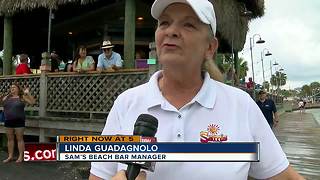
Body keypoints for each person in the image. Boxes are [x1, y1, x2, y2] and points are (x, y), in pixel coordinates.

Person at [90, 0, 304, 179]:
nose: (172, 31)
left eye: (189, 25)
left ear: (210, 47)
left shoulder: (241, 106)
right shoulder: (126, 103)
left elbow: (283, 175)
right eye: (164, 23)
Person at [2, 82, 36, 163]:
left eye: (14, 87)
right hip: (8, 120)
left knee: (19, 139)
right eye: (11, 87)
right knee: (10, 139)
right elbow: (3, 103)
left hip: (19, 121)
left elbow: (32, 102)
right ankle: (10, 156)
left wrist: (28, 94)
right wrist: (4, 97)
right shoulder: (7, 98)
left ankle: (21, 156)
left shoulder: (21, 97)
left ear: (18, 89)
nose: (12, 89)